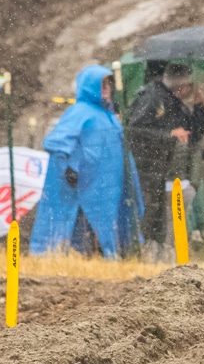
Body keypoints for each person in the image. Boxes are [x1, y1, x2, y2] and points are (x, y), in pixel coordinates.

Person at [30, 64, 142, 258]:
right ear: (90, 86)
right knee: (80, 226)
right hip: (84, 185)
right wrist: (69, 168)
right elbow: (57, 142)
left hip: (108, 188)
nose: (106, 89)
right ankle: (72, 256)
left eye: (108, 84)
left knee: (107, 227)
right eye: (101, 84)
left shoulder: (110, 117)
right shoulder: (79, 112)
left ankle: (107, 256)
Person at [125, 61, 204, 252]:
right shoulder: (152, 97)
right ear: (182, 86)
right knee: (154, 225)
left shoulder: (174, 103)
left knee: (168, 227)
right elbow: (134, 131)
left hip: (173, 174)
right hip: (153, 175)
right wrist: (168, 135)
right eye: (190, 85)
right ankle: (152, 259)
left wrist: (200, 108)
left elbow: (192, 134)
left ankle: (168, 259)